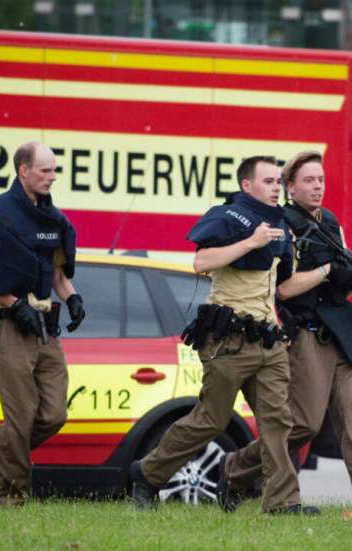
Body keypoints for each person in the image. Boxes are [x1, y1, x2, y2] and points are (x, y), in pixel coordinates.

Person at [219, 151, 352, 516]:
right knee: (302, 424)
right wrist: (327, 271)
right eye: (308, 180)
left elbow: (342, 266)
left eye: (321, 179)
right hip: (308, 334)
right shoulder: (284, 225)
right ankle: (235, 468)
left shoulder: (331, 222)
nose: (317, 186)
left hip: (343, 334)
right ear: (290, 187)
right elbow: (286, 288)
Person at [130, 156, 315, 515]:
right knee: (211, 420)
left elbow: (282, 286)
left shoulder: (282, 228)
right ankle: (148, 474)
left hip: (268, 340)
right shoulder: (227, 216)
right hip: (229, 340)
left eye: (279, 181)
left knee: (278, 422)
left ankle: (282, 502)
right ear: (247, 185)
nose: (277, 187)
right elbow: (202, 262)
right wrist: (250, 242)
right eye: (268, 181)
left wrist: (326, 272)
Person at [0, 142, 86, 507]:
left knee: (53, 414)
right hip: (7, 327)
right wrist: (13, 304)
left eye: (54, 170)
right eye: (45, 170)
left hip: (45, 328)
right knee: (21, 416)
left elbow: (58, 274)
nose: (52, 177)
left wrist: (72, 297)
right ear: (23, 171)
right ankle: (7, 496)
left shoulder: (53, 219)